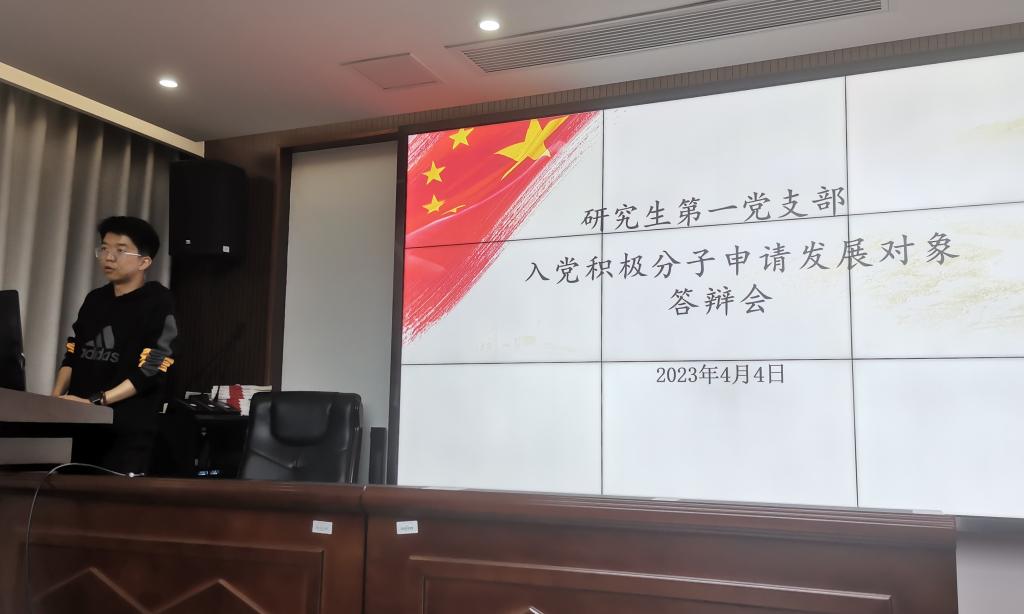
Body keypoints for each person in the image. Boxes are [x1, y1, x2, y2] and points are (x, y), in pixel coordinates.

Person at [51, 216, 178, 474]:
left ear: (144, 262)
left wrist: (97, 401)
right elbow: (73, 354)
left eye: (120, 250)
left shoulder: (158, 302)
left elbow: (152, 369)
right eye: (104, 248)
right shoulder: (95, 300)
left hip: (125, 434)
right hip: (81, 424)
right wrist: (54, 402)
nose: (108, 257)